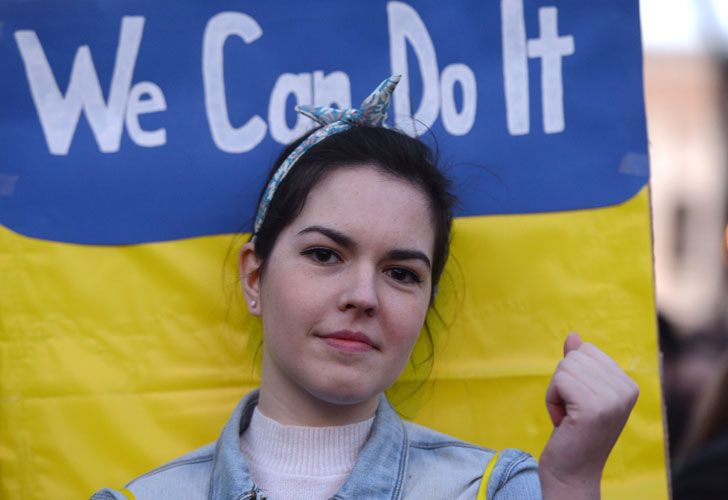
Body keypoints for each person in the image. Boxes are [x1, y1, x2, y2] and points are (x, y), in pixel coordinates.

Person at [92, 76, 639, 500]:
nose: (363, 295)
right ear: (254, 277)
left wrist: (569, 485)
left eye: (401, 272)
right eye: (324, 255)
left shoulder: (491, 489)